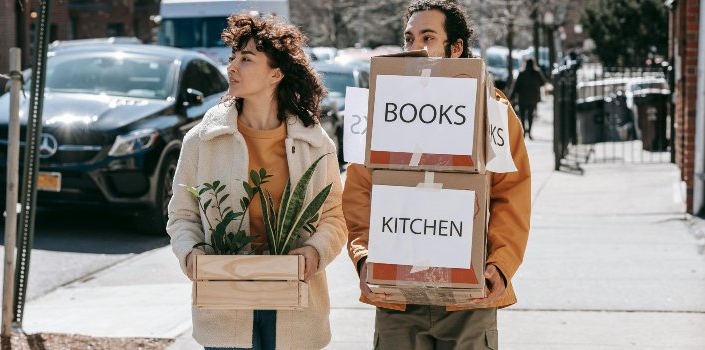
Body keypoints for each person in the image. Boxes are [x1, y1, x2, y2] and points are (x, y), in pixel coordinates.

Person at [344, 1, 532, 349]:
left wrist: (501, 265)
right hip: (396, 295)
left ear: (455, 47)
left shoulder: (494, 111)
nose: (415, 47)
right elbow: (358, 191)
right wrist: (363, 258)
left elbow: (512, 195)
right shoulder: (382, 110)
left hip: (468, 297)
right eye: (409, 37)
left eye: (428, 37)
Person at [167, 13, 346, 350]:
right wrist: (189, 254)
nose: (231, 66)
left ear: (276, 73)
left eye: (246, 59)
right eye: (232, 57)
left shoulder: (314, 142)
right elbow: (182, 215)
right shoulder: (202, 140)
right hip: (225, 298)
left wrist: (314, 252)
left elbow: (334, 216)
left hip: (296, 296)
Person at [510, 58, 546, 140]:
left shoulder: (522, 73)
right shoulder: (537, 73)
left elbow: (516, 86)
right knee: (530, 115)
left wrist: (510, 97)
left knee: (522, 115)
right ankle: (529, 133)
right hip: (533, 98)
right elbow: (543, 82)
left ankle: (523, 132)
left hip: (522, 97)